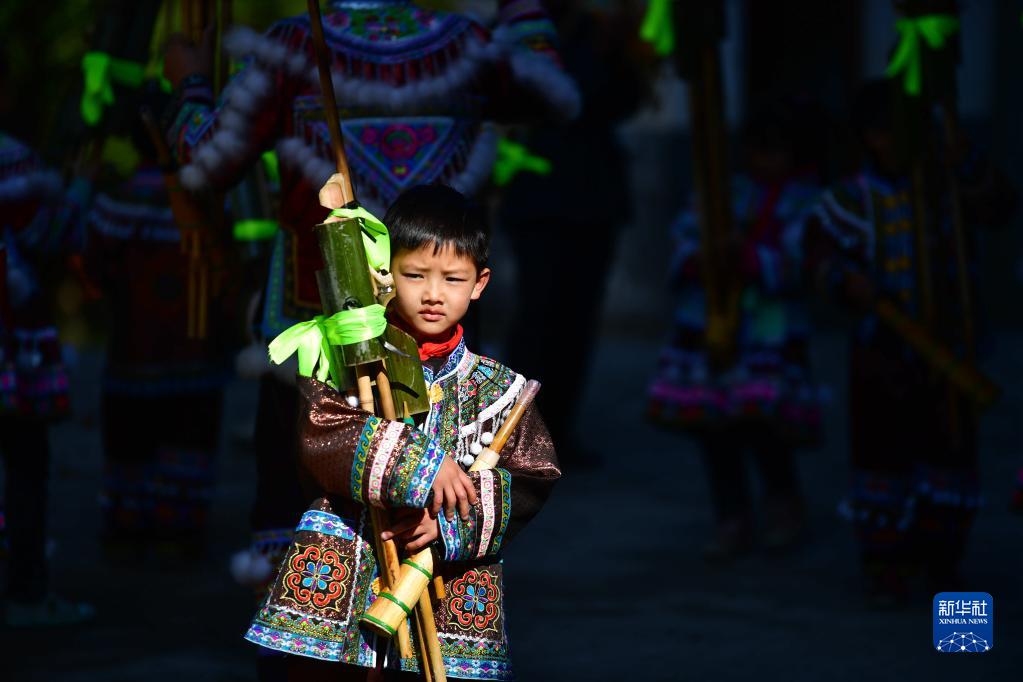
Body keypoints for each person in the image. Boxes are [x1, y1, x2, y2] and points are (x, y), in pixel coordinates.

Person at [161, 0, 578, 593]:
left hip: (316, 329)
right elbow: (553, 92)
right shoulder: (468, 45)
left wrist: (190, 82)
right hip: (440, 340)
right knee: (441, 506)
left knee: (297, 508)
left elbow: (203, 156)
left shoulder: (293, 47)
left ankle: (305, 636)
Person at [245, 183, 560, 681]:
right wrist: (423, 465)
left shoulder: (501, 388)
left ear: (479, 284)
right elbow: (319, 433)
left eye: (453, 279)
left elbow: (532, 476)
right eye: (414, 274)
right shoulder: (347, 361)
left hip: (446, 581)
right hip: (347, 570)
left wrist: (452, 522)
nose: (433, 294)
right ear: (386, 274)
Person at [802, 80, 1015, 604]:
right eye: (883, 132)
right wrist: (842, 279)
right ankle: (887, 569)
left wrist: (961, 154)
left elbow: (1002, 205)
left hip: (951, 349)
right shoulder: (848, 200)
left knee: (950, 460)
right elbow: (818, 257)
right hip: (883, 359)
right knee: (885, 459)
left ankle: (946, 579)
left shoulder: (950, 189)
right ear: (869, 137)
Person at [648, 104, 824, 560]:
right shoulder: (724, 194)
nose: (765, 161)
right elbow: (686, 239)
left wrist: (747, 258)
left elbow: (804, 259)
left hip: (769, 332)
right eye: (758, 150)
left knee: (765, 424)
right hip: (714, 326)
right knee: (715, 427)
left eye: (777, 151)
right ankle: (732, 515)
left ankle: (783, 503)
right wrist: (704, 256)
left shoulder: (808, 202)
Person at [81, 83, 234, 554]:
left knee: (133, 444)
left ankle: (130, 530)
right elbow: (225, 269)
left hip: (132, 354)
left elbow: (92, 273)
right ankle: (177, 533)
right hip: (194, 353)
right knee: (186, 439)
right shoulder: (207, 205)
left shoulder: (113, 203)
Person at [0, 128, 94, 625]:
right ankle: (26, 592)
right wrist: (77, 190)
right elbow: (50, 237)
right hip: (13, 346)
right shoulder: (14, 162)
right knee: (24, 462)